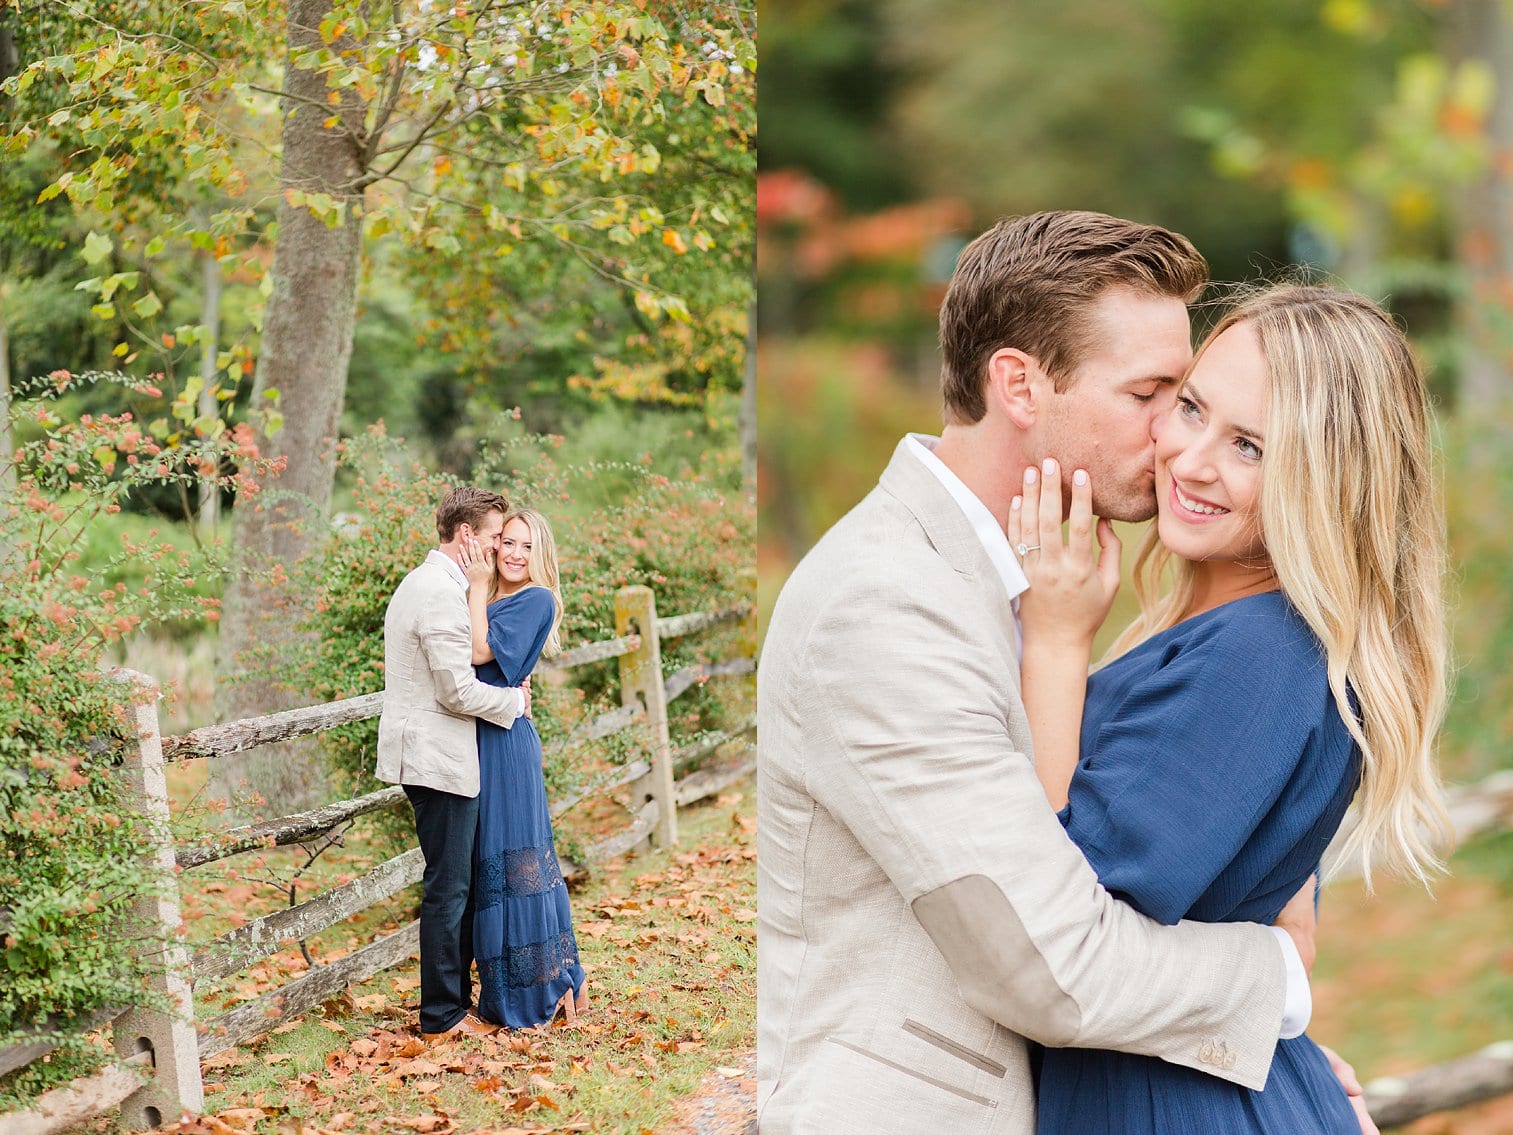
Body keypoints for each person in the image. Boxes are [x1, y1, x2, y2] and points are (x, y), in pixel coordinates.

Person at [758, 212, 1357, 1135]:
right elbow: (1056, 961)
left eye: (1187, 396)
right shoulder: (883, 604)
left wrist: (1266, 1071)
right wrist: (1271, 985)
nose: (1173, 438)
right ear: (1019, 384)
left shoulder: (1043, 580)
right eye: (1154, 394)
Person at [1009, 284, 1450, 1133]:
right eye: (1189, 408)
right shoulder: (1241, 633)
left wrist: (1057, 645)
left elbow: (1062, 919)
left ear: (1326, 479)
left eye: (1248, 445)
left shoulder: (1258, 651)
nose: (1191, 458)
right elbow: (1290, 935)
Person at [376, 486, 531, 1043]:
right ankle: (441, 1016)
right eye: (494, 538)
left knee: (457, 883)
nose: (497, 550)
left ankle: (456, 1006)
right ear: (467, 535)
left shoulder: (435, 584)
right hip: (436, 758)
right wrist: (513, 703)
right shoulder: (437, 592)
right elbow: (454, 691)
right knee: (449, 889)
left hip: (438, 756)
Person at [458, 506, 588, 1029]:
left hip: (506, 745)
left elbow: (475, 649)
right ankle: (509, 985)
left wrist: (474, 586)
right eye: (508, 542)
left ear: (542, 555)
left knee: (516, 865)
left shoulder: (536, 599)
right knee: (492, 869)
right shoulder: (492, 597)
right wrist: (479, 590)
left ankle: (540, 990)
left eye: (527, 547)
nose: (514, 554)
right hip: (479, 739)